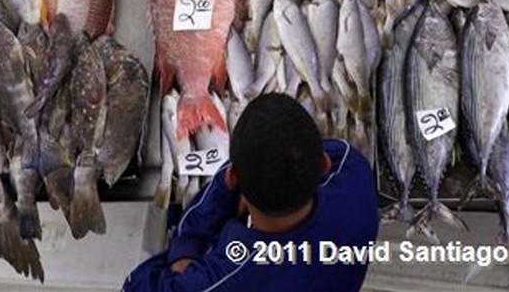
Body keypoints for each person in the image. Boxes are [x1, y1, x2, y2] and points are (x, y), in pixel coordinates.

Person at [123, 93, 379, 292]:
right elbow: (322, 150)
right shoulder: (354, 178)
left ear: (233, 178)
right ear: (323, 164)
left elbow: (135, 284)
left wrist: (186, 250)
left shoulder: (223, 276)